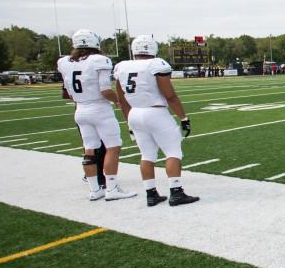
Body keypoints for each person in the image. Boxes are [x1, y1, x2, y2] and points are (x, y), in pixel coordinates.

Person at [114, 35, 199, 207]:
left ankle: (151, 194)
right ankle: (176, 192)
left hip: (135, 114)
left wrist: (128, 123)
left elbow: (121, 99)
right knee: (173, 152)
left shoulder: (122, 67)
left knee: (147, 155)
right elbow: (170, 95)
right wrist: (183, 117)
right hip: (155, 112)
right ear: (153, 48)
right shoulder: (155, 64)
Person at [57, 29, 136, 201]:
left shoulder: (64, 62)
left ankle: (94, 189)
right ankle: (112, 188)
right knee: (113, 147)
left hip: (80, 109)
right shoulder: (99, 60)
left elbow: (70, 93)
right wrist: (118, 101)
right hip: (99, 109)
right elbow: (105, 90)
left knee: (89, 149)